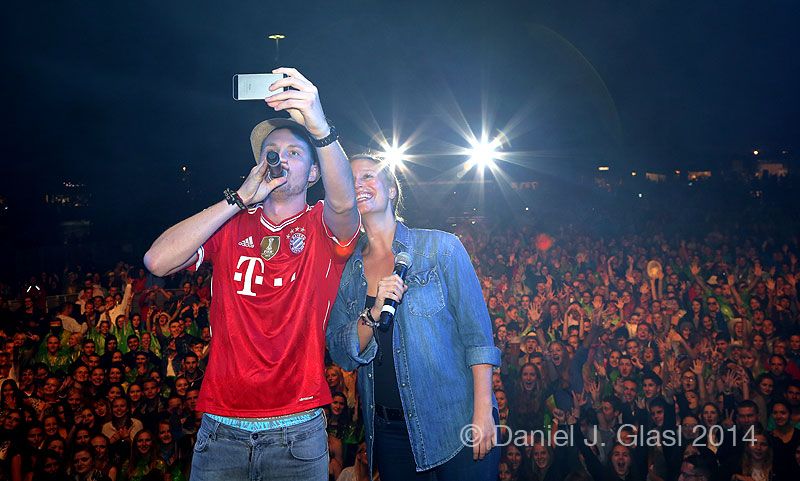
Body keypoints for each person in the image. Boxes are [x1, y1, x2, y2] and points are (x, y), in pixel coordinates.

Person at [143, 67, 359, 481]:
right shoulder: (231, 224)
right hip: (221, 429)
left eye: (294, 153)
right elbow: (157, 261)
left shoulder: (321, 225)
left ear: (314, 173)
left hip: (296, 428)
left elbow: (346, 204)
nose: (280, 158)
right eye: (271, 152)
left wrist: (319, 126)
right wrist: (239, 199)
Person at [327, 153, 501, 480]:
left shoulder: (442, 248)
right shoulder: (347, 272)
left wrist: (483, 411)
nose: (358, 185)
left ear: (392, 189)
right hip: (390, 434)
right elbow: (340, 352)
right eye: (350, 180)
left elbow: (477, 337)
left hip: (456, 420)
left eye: (368, 176)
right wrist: (373, 313)